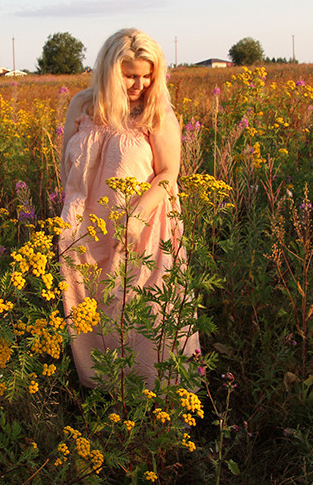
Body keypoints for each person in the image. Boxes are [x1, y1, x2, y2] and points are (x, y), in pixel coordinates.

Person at [58, 28, 199, 388]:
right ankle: (103, 394)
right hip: (86, 231)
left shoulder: (157, 111)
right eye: (130, 74)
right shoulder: (83, 105)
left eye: (147, 74)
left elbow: (169, 172)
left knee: (146, 313)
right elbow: (66, 164)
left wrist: (135, 219)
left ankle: (157, 397)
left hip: (144, 227)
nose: (140, 83)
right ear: (109, 69)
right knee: (88, 310)